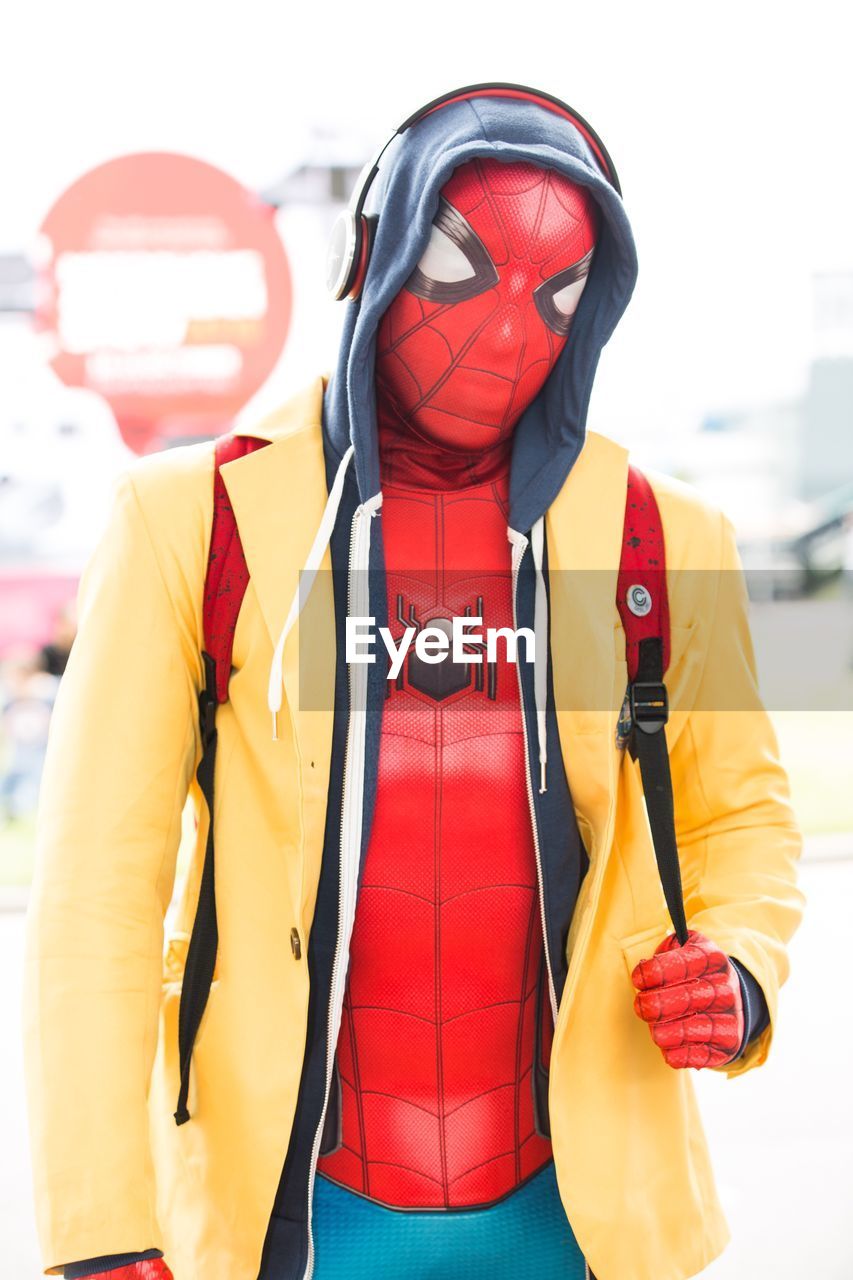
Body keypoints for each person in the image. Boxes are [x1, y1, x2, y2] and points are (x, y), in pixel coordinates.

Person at [24, 85, 804, 1280]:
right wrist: (98, 1226)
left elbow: (740, 810)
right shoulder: (197, 520)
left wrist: (741, 962)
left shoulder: (657, 536)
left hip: (581, 1205)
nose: (504, 336)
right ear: (374, 258)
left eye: (554, 295)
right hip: (286, 1205)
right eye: (456, 269)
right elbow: (95, 894)